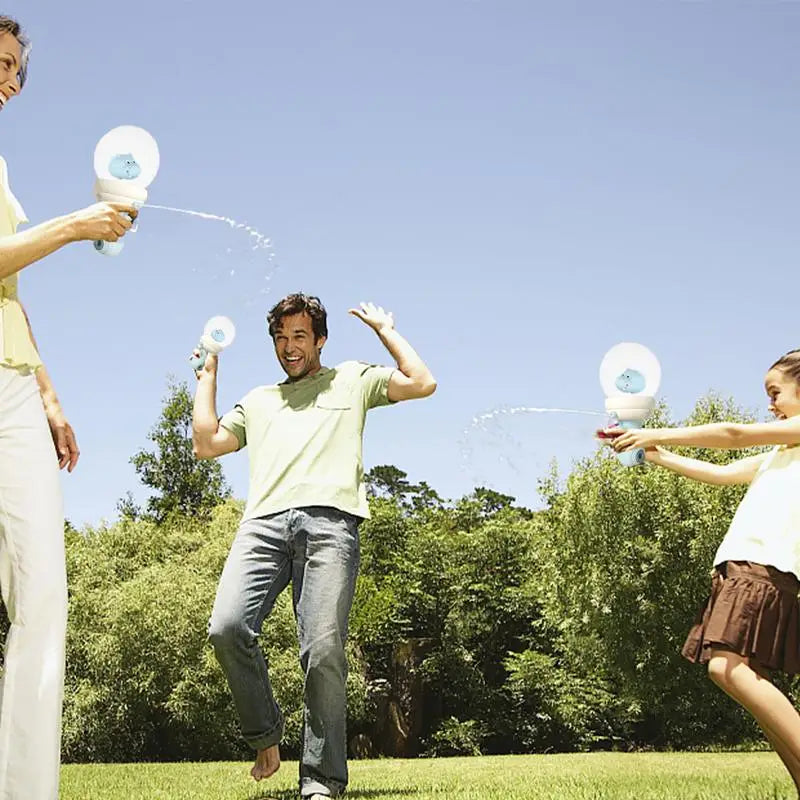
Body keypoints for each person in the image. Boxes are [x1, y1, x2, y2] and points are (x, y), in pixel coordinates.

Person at [192, 293, 436, 799]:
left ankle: (321, 779)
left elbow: (422, 381)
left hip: (330, 525)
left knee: (323, 648)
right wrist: (208, 374)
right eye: (281, 338)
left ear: (320, 339)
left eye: (299, 336)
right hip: (262, 524)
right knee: (226, 626)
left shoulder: (352, 378)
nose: (289, 347)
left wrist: (385, 330)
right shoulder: (259, 401)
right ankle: (266, 737)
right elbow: (206, 443)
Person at [0, 16, 138, 800]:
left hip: (12, 387)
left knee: (42, 594)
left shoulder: (1, 168)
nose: (8, 80)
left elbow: (5, 289)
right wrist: (76, 225)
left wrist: (48, 392)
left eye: (16, 70)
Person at [602, 349, 800, 795]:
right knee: (745, 679)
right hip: (746, 570)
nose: (770, 404)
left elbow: (733, 434)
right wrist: (652, 452)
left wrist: (658, 429)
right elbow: (722, 471)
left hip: (762, 568)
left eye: (775, 392)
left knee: (726, 668)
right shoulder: (781, 455)